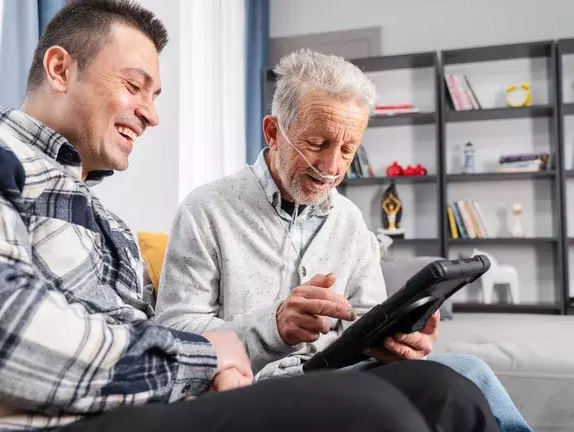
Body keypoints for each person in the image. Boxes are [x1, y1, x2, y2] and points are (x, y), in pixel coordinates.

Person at [0, 1, 500, 431]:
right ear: (61, 70)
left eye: (155, 96)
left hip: (160, 396)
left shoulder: (104, 218)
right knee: (374, 410)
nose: (152, 115)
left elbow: (140, 330)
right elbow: (14, 336)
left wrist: (385, 338)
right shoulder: (10, 163)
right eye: (134, 86)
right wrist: (219, 356)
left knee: (451, 388)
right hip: (85, 414)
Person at [155, 48, 532, 432]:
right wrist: (273, 326)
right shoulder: (206, 209)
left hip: (344, 375)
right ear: (273, 132)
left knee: (470, 371)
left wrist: (398, 342)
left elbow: (366, 315)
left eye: (348, 150)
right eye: (317, 144)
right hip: (256, 387)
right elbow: (172, 334)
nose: (332, 168)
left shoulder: (349, 219)